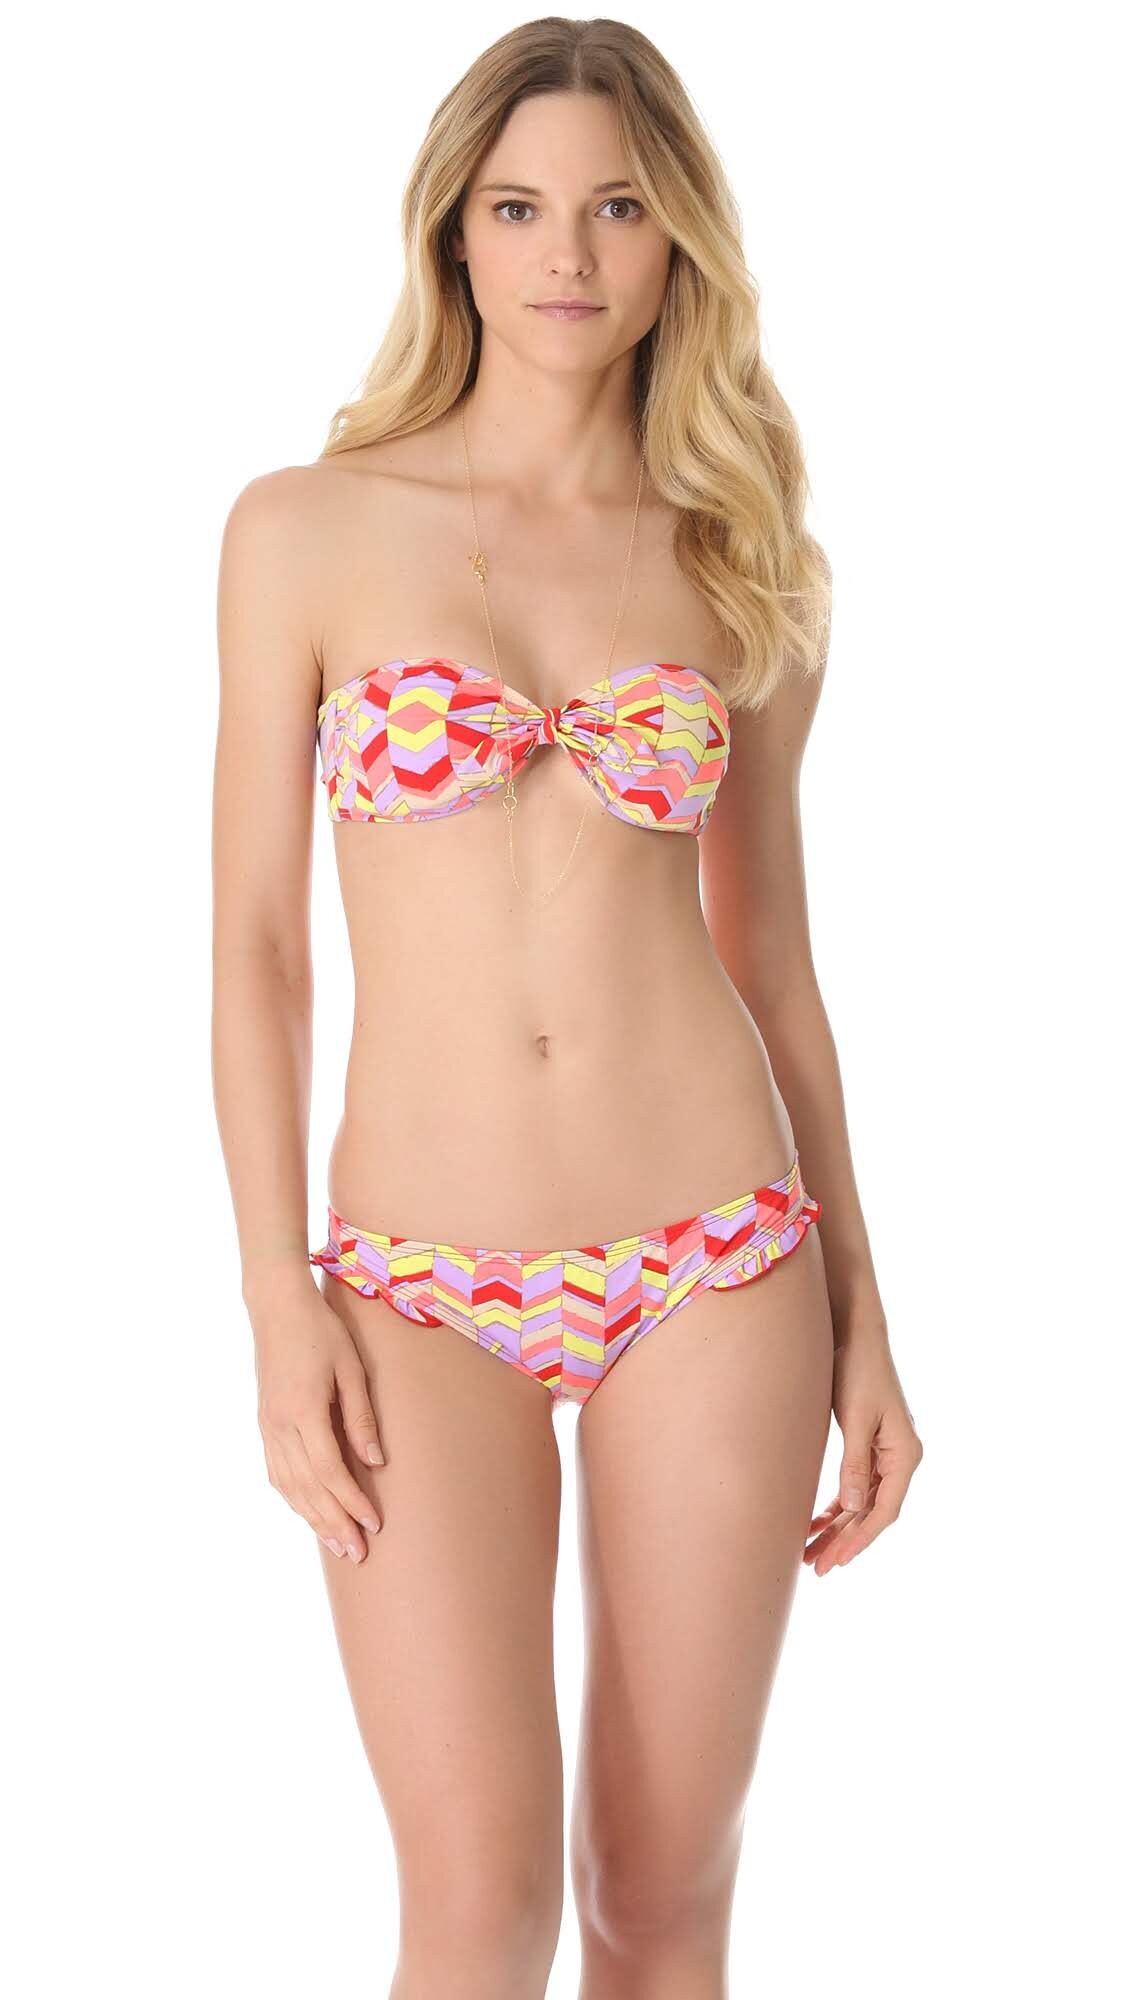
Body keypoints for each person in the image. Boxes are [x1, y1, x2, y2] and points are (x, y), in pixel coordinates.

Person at [211, 18, 923, 1997]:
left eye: (617, 209)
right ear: (454, 232)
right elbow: (255, 947)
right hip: (414, 1281)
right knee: (477, 1907)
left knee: (662, 1898)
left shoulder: (742, 563)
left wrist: (862, 1309)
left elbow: (777, 964)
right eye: (520, 209)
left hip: (714, 1255)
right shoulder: (305, 529)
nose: (569, 256)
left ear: (680, 237)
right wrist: (276, 1302)